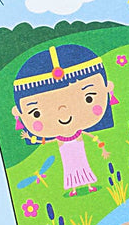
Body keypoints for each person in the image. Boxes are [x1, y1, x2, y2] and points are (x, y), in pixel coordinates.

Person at [11, 44, 114, 196]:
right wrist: (29, 136)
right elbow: (46, 141)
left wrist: (103, 148)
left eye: (89, 98)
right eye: (37, 113)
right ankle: (74, 188)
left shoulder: (78, 133)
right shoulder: (59, 138)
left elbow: (92, 137)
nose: (64, 115)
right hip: (66, 156)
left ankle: (89, 184)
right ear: (18, 113)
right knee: (70, 169)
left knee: (84, 165)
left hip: (79, 152)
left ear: (108, 88)